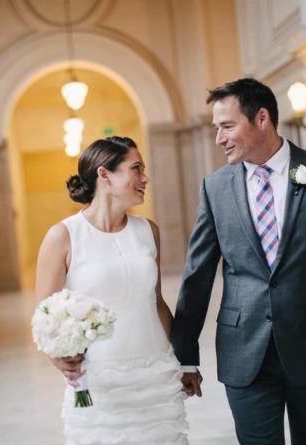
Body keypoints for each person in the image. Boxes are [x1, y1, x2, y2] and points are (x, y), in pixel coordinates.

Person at [171, 78, 306, 444]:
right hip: (243, 351)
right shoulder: (214, 188)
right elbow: (197, 275)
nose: (219, 138)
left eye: (227, 126)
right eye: (216, 128)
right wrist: (185, 355)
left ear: (261, 118)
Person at [35, 136, 188, 444]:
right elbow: (43, 317)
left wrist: (182, 361)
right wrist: (61, 360)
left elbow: (157, 303)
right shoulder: (63, 236)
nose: (145, 178)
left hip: (155, 373)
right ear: (104, 175)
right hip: (99, 379)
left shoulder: (148, 231)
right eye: (136, 168)